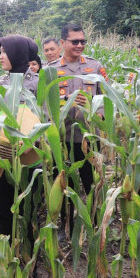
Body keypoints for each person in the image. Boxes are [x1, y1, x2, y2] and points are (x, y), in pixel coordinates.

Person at [0, 35, 41, 238]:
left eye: (5, 52)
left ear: (18, 53)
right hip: (0, 154)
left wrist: (31, 139)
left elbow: (48, 119)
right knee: (2, 204)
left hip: (29, 155)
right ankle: (5, 253)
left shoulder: (38, 83)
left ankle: (28, 256)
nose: (0, 56)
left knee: (28, 207)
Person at [51, 23, 108, 232]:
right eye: (75, 41)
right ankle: (67, 226)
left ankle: (94, 225)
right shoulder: (51, 70)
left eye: (83, 41)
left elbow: (106, 96)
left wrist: (96, 108)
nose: (80, 45)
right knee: (65, 185)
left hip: (89, 137)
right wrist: (66, 101)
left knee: (92, 183)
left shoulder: (94, 67)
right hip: (63, 139)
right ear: (63, 43)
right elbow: (44, 104)